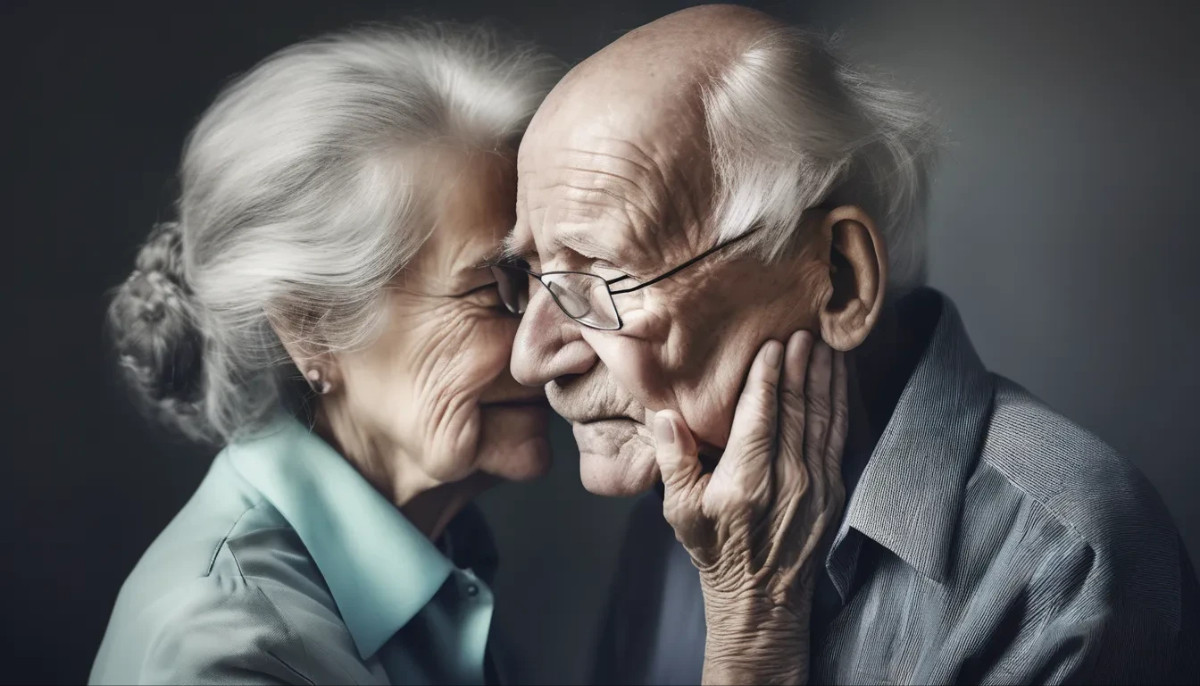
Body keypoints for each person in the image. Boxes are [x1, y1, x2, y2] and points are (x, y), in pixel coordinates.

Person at [494, 4, 1200, 684]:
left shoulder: (1066, 557)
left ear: (837, 279)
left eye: (605, 276)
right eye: (530, 275)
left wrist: (755, 639)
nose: (532, 357)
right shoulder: (685, 504)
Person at [91, 24, 560, 685]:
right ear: (314, 327)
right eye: (500, 289)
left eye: (554, 280)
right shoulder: (224, 655)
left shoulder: (436, 561)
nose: (559, 339)